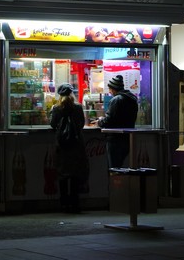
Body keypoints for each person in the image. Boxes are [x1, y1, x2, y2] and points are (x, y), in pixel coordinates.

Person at [49, 83, 88, 212]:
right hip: (76, 145)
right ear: (72, 94)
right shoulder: (78, 107)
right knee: (75, 174)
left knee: (63, 174)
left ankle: (64, 203)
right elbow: (82, 124)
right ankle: (75, 204)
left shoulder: (56, 108)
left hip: (62, 145)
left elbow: (53, 124)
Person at [96, 75, 138, 168]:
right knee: (121, 167)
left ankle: (116, 182)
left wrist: (100, 121)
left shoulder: (116, 100)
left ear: (114, 89)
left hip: (115, 139)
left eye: (110, 89)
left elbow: (109, 120)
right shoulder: (132, 99)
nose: (110, 92)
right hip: (127, 138)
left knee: (114, 168)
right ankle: (122, 182)